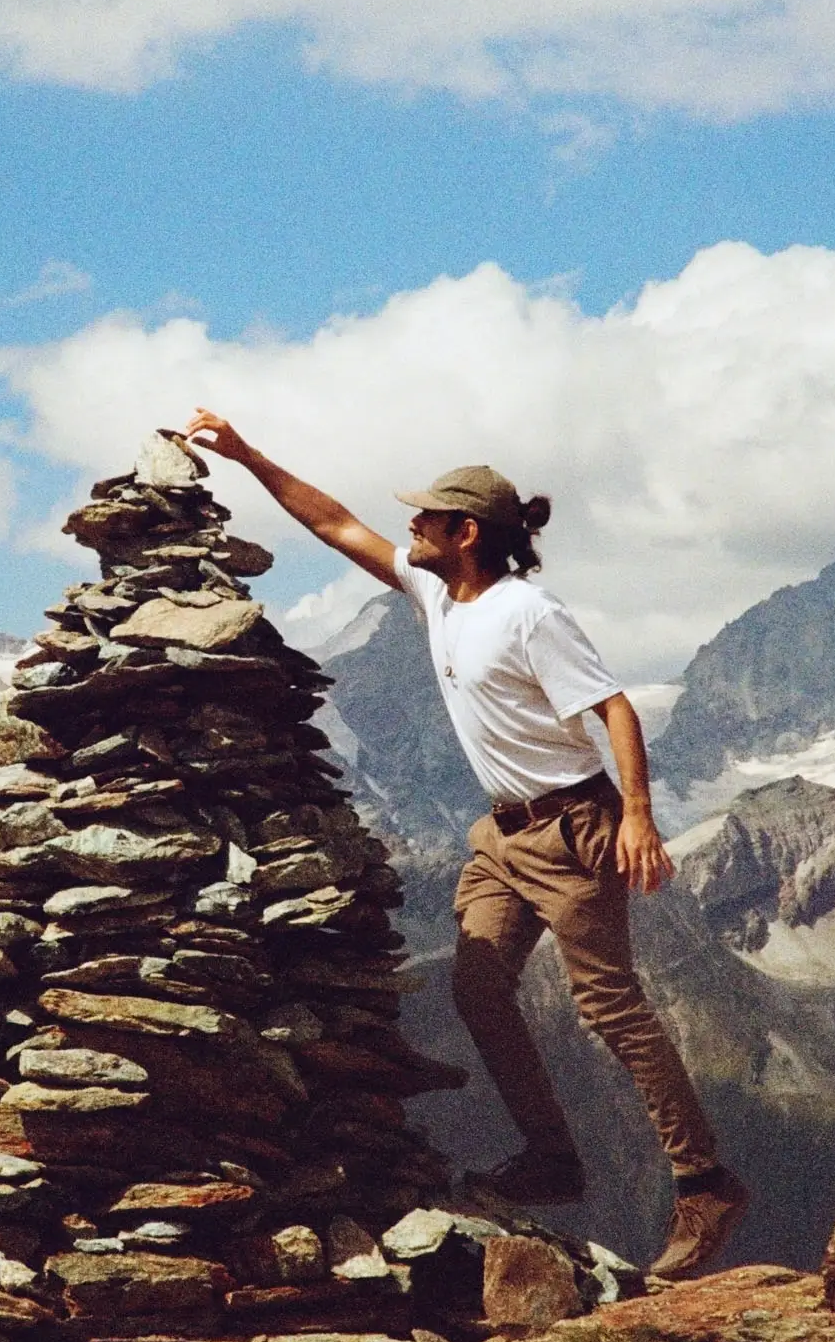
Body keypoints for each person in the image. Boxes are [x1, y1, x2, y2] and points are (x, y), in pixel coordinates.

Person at [181, 407, 749, 1280]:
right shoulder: (434, 591)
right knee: (478, 987)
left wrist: (637, 814)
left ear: (467, 532)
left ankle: (705, 1184)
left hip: (573, 828)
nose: (408, 524)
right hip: (503, 833)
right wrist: (248, 453)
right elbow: (334, 525)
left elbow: (616, 708)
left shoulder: (528, 613)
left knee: (610, 1008)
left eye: (426, 516)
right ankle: (552, 1157)